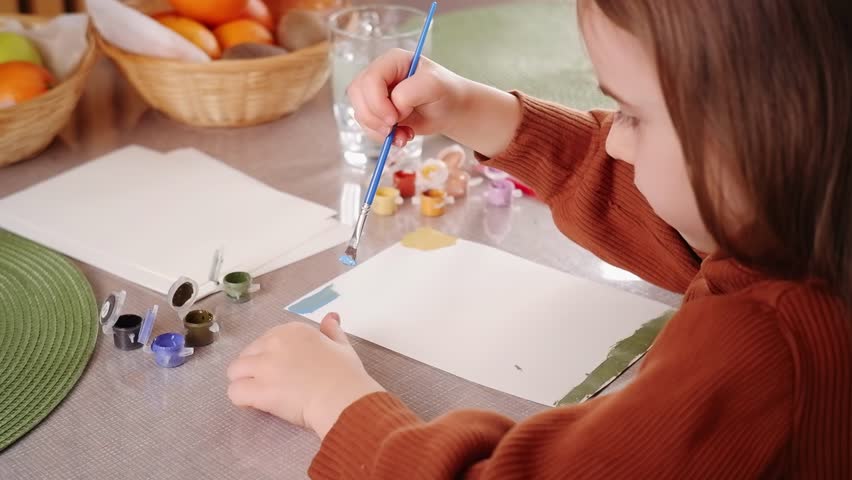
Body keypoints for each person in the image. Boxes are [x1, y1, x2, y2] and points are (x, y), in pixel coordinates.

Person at [226, 0, 852, 477]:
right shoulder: (803, 224)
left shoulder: (758, 351)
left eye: (632, 114)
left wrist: (336, 404)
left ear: (765, 140)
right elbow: (657, 199)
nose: (613, 139)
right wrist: (469, 107)